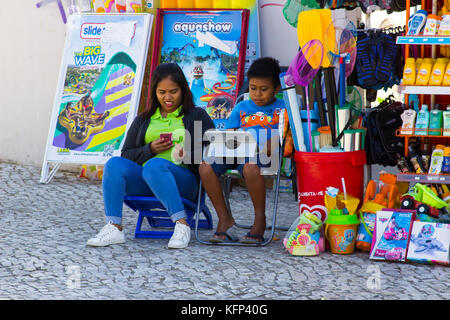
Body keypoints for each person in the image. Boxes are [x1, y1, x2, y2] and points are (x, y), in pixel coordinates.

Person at [87, 63, 215, 249]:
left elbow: (214, 151)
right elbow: (127, 156)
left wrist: (186, 154)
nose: (167, 97)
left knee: (155, 165)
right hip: (148, 180)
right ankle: (114, 227)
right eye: (161, 92)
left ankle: (181, 224)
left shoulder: (196, 115)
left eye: (173, 91)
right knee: (114, 164)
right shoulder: (144, 119)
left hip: (184, 181)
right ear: (154, 92)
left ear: (184, 90)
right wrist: (150, 149)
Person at [199, 57, 284, 244]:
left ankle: (259, 221)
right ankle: (224, 218)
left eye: (264, 89)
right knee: (205, 167)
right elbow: (231, 133)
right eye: (253, 88)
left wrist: (275, 142)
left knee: (251, 168)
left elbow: (289, 135)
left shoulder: (282, 108)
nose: (257, 94)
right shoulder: (241, 107)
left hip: (263, 155)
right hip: (236, 152)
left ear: (276, 88)